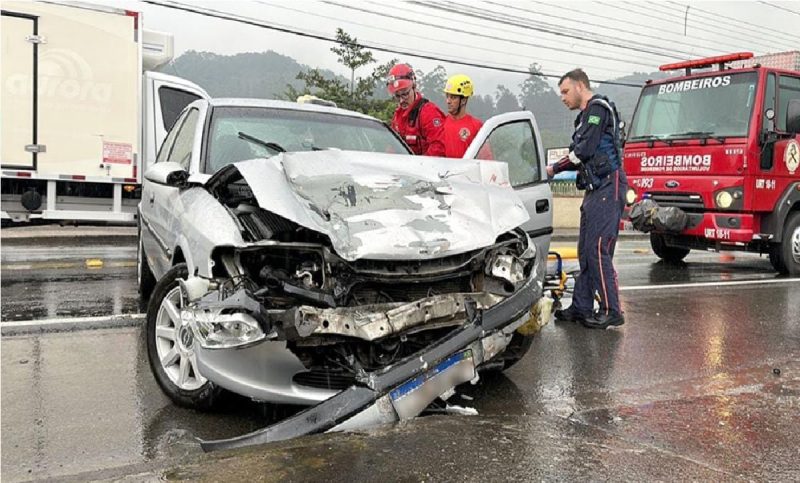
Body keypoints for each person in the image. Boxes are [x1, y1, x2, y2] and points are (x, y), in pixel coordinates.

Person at [546, 68, 628, 329]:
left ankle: (611, 309)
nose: (562, 98)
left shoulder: (597, 109)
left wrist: (552, 169)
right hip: (594, 189)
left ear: (580, 86)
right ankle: (581, 306)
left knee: (598, 249)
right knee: (585, 250)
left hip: (608, 186)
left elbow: (582, 151)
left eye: (566, 91)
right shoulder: (583, 118)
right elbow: (576, 153)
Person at [387, 63, 445, 157]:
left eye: (405, 94)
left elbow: (439, 148)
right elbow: (392, 148)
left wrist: (417, 165)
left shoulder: (428, 113)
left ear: (414, 87)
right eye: (397, 96)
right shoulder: (398, 116)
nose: (401, 100)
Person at [442, 74, 483, 158]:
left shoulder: (477, 126)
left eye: (453, 97)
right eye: (447, 96)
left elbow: (486, 158)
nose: (448, 101)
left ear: (463, 100)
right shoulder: (441, 124)